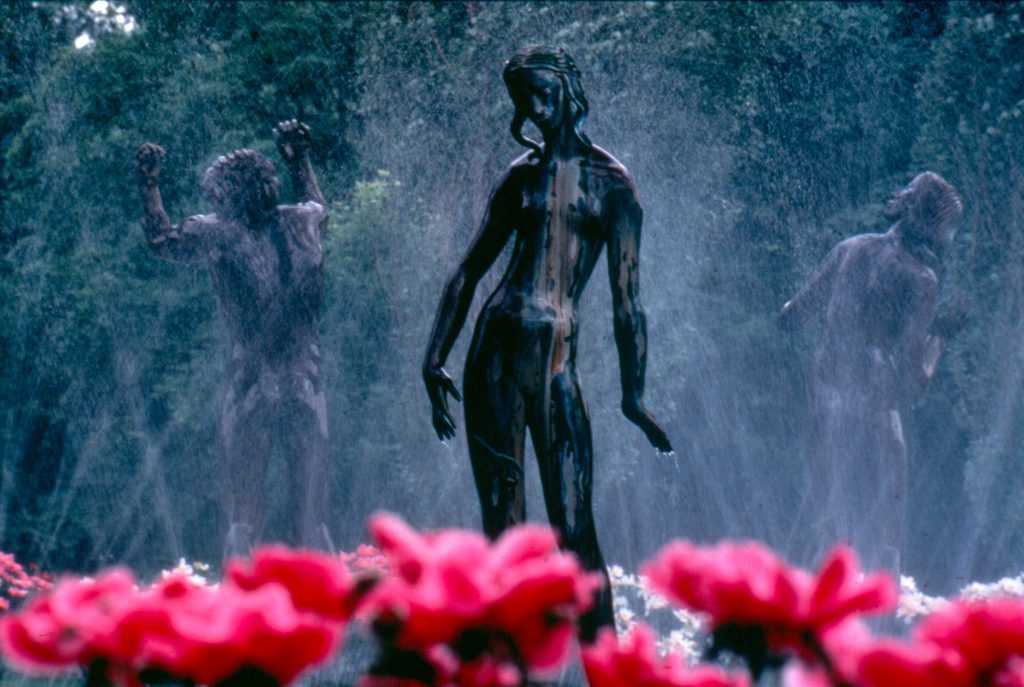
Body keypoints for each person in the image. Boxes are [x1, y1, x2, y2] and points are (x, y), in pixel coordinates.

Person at [422, 46, 673, 639]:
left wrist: (634, 398)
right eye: (523, 101)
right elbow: (467, 272)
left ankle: (612, 675)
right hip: (496, 355)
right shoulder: (521, 178)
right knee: (505, 536)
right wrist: (433, 357)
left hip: (558, 362)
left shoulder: (614, 186)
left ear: (568, 87)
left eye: (543, 92)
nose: (535, 109)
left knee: (575, 528)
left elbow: (628, 304)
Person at [134, 121, 330, 560]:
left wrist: (148, 184)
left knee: (246, 517)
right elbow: (317, 203)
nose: (215, 203)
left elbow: (161, 240)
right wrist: (299, 159)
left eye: (218, 195)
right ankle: (337, 619)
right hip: (304, 383)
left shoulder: (218, 230)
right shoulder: (303, 221)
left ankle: (235, 616)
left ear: (227, 196)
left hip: (252, 387)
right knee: (309, 517)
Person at [781, 171, 963, 575]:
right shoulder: (921, 278)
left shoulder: (849, 249)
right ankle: (887, 606)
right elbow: (915, 384)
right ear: (936, 228)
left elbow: (791, 319)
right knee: (886, 529)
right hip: (875, 402)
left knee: (827, 515)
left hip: (825, 389)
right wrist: (941, 339)